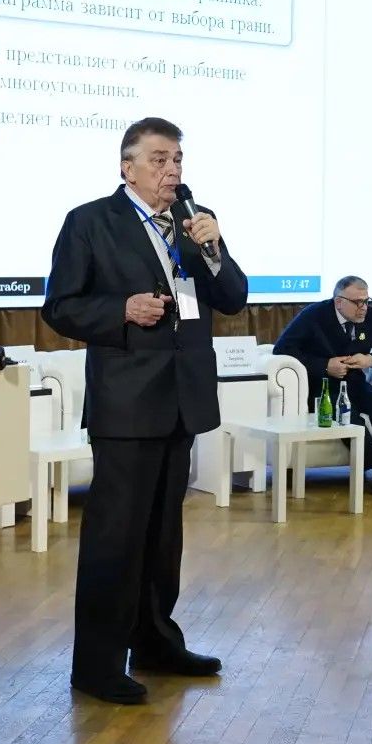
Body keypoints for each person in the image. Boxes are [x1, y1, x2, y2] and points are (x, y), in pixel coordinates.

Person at [43, 117, 248, 705]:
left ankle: (156, 644)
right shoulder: (90, 222)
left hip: (182, 398)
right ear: (126, 167)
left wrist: (212, 249)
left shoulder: (194, 220)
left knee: (162, 536)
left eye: (177, 159)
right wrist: (121, 310)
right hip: (128, 403)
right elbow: (60, 307)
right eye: (159, 159)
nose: (172, 170)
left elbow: (233, 297)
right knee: (116, 537)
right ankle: (97, 664)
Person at [273, 276, 372, 499]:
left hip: (355, 383)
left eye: (367, 301)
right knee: (350, 418)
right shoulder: (314, 315)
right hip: (322, 388)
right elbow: (282, 349)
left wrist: (370, 359)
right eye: (357, 302)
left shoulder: (370, 317)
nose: (364, 307)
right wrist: (325, 365)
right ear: (339, 302)